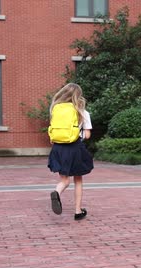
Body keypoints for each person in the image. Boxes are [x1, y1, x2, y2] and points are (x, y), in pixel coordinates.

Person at [47, 83, 94, 220]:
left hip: (58, 148)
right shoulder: (82, 112)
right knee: (78, 179)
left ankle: (57, 191)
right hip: (74, 148)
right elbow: (87, 135)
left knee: (65, 180)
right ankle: (78, 211)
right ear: (78, 96)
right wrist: (79, 135)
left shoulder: (55, 109)